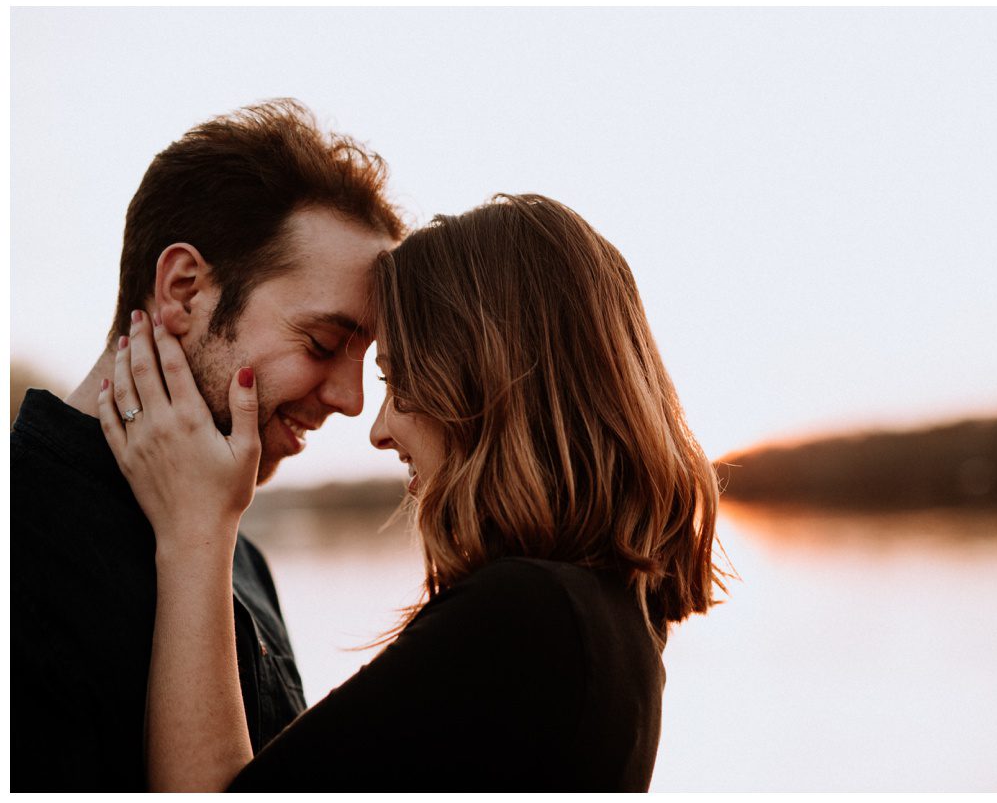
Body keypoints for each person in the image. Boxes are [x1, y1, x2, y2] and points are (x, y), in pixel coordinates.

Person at [99, 193, 727, 792]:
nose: (377, 428)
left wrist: (195, 533)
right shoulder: (614, 615)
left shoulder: (526, 618)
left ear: (482, 382)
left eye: (396, 380)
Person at [10, 99, 405, 791]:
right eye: (322, 343)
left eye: (363, 359)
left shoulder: (240, 552)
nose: (350, 400)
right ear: (183, 290)